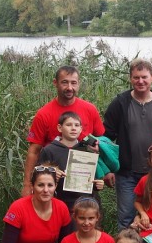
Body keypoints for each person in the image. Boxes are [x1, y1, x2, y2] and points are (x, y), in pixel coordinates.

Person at [103, 59, 152, 231]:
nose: (140, 81)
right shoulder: (120, 103)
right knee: (126, 218)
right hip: (127, 173)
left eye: (144, 77)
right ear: (130, 78)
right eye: (136, 77)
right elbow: (106, 138)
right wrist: (108, 169)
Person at [22, 66, 104, 197]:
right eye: (65, 82)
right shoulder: (44, 114)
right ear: (55, 83)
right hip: (53, 187)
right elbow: (34, 151)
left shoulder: (90, 109)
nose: (70, 87)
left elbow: (101, 143)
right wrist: (27, 185)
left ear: (79, 84)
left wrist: (107, 172)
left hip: (84, 186)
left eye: (73, 83)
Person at [37, 111, 104, 211]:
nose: (73, 128)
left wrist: (98, 184)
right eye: (69, 125)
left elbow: (93, 177)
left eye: (77, 125)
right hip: (60, 202)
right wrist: (52, 173)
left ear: (81, 129)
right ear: (60, 128)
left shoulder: (88, 149)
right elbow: (37, 175)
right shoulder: (49, 150)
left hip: (86, 203)